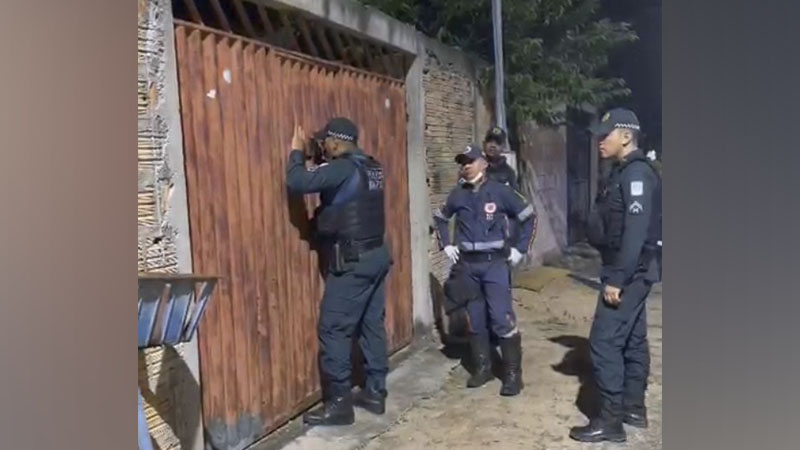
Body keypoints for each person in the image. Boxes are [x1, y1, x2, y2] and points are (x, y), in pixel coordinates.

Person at [285, 117, 393, 426]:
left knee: (333, 328)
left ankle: (339, 404)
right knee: (371, 324)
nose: (323, 148)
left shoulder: (343, 168)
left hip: (354, 262)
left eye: (325, 143)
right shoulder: (372, 166)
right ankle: (375, 391)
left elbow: (298, 182)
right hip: (377, 255)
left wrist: (296, 153)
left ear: (335, 141)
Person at [570, 108, 662, 442]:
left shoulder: (636, 175)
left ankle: (610, 422)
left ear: (626, 136)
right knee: (633, 339)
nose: (598, 141)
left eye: (604, 135)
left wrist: (616, 279)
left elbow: (635, 234)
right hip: (634, 270)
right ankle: (633, 408)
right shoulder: (623, 172)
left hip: (629, 272)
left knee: (604, 342)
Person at [433, 143, 536, 396]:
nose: (465, 166)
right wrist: (446, 244)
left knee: (501, 318)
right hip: (468, 265)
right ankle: (483, 368)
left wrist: (520, 249)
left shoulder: (500, 192)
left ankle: (512, 374)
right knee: (475, 320)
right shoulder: (458, 194)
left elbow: (529, 216)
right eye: (462, 162)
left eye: (470, 160)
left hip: (494, 265)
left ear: (483, 163)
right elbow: (440, 218)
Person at [483, 126, 519, 190]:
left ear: (503, 147)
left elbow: (515, 197)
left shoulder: (508, 173)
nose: (493, 145)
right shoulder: (474, 168)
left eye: (497, 143)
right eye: (490, 141)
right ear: (484, 143)